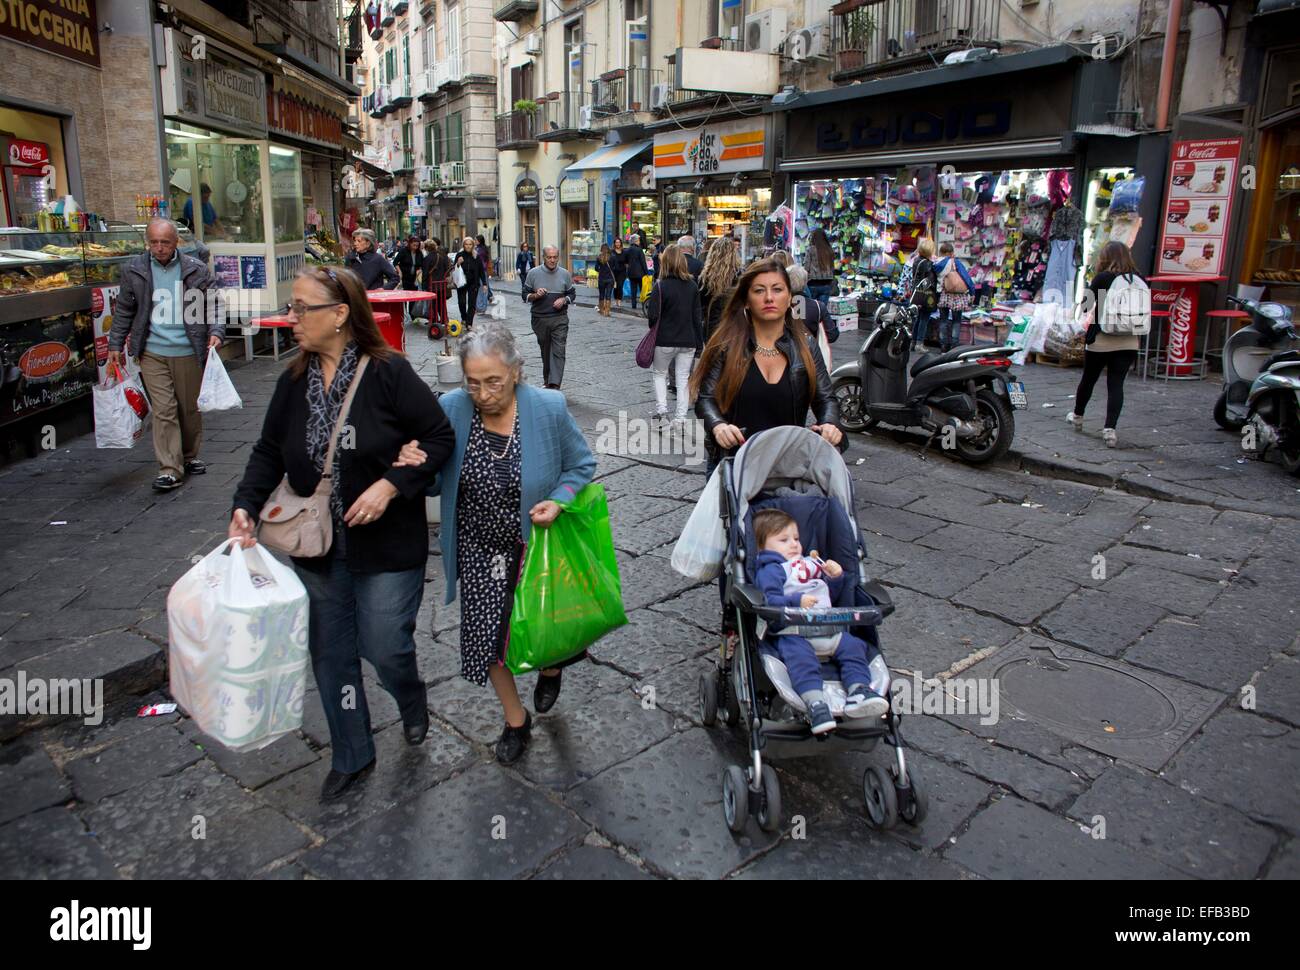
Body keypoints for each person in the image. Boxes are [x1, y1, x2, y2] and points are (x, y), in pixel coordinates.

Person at [228, 266, 456, 800]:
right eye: (291, 306)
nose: (292, 318)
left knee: (383, 645)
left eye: (302, 308)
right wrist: (244, 505)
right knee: (331, 653)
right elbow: (266, 451)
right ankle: (352, 753)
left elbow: (438, 435)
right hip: (315, 543)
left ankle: (409, 694)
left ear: (339, 315)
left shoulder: (389, 373)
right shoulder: (292, 382)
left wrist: (392, 485)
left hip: (387, 543)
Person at [394, 323, 596, 764]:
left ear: (516, 372)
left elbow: (581, 466)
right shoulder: (451, 409)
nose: (483, 394)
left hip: (536, 546)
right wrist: (414, 463)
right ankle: (516, 720)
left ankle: (551, 665)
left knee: (546, 628)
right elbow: (432, 484)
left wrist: (559, 502)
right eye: (473, 383)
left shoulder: (548, 408)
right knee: (487, 639)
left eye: (493, 382)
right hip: (479, 545)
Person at [692, 257, 842, 655]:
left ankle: (793, 605)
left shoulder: (805, 345)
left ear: (789, 296)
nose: (769, 298)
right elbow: (704, 399)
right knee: (736, 548)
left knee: (785, 543)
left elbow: (826, 398)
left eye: (776, 289)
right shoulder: (727, 344)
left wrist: (830, 425)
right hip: (736, 461)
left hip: (788, 464)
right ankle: (733, 624)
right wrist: (717, 425)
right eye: (759, 291)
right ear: (746, 299)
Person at [107, 218, 224, 493]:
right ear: (148, 242)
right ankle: (170, 469)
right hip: (152, 351)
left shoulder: (194, 269)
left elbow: (213, 303)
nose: (159, 248)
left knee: (188, 409)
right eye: (154, 242)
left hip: (187, 349)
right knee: (164, 409)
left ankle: (189, 455)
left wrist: (216, 331)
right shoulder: (134, 269)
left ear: (176, 243)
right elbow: (124, 309)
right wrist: (115, 344)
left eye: (165, 242)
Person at [753, 509, 891, 734]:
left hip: (830, 628)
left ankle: (860, 690)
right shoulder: (772, 570)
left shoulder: (810, 564)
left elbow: (829, 595)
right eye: (784, 540)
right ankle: (816, 704)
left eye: (796, 539)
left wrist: (834, 577)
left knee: (855, 648)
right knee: (801, 661)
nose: (794, 545)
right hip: (793, 631)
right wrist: (796, 599)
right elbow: (769, 599)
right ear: (762, 546)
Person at [1066, 241, 1144, 448]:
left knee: (1089, 379)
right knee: (1116, 384)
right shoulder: (1139, 279)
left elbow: (1085, 306)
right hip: (1129, 339)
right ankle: (1110, 430)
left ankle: (1078, 416)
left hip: (1102, 338)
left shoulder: (1103, 278)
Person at [646, 245, 703, 425]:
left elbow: (653, 316)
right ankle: (680, 418)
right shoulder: (693, 286)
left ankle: (662, 411)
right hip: (688, 339)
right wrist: (699, 343)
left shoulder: (660, 286)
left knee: (660, 374)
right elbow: (697, 317)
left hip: (665, 339)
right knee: (683, 378)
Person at [522, 245, 576, 389]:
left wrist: (564, 300)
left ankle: (554, 384)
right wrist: (535, 295)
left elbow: (572, 294)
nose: (552, 260)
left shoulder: (565, 274)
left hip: (560, 318)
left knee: (559, 350)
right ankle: (548, 380)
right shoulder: (533, 273)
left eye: (555, 257)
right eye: (549, 257)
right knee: (546, 352)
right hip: (540, 319)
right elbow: (524, 295)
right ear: (543, 257)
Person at [787, 264, 839, 369]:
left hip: (786, 360)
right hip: (811, 360)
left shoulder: (779, 306)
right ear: (805, 283)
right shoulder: (818, 306)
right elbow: (832, 335)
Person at [699, 234, 742, 345]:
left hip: (711, 325)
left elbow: (701, 303)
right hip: (734, 324)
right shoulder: (740, 275)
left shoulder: (705, 277)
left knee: (713, 358)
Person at [933, 241, 975, 352]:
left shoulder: (935, 263)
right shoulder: (954, 262)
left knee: (943, 320)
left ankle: (943, 345)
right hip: (956, 295)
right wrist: (972, 291)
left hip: (943, 294)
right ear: (951, 253)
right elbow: (966, 277)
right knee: (956, 320)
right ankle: (954, 344)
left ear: (941, 252)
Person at [903, 238, 938, 350]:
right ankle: (919, 343)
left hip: (917, 293)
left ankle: (913, 342)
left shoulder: (917, 260)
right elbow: (930, 281)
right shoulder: (928, 264)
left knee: (918, 318)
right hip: (926, 294)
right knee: (924, 319)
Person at [453, 235, 486, 330]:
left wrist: (484, 284)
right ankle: (464, 317)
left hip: (473, 283)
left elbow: (481, 271)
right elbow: (453, 269)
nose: (468, 246)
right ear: (463, 245)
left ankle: (469, 323)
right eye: (466, 244)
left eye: (470, 244)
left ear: (473, 245)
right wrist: (458, 263)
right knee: (461, 302)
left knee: (472, 304)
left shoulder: (476, 256)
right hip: (461, 283)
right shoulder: (459, 255)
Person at [420, 237, 451, 332]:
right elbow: (447, 268)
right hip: (441, 284)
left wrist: (424, 285)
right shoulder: (441, 256)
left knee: (433, 304)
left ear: (426, 248)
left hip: (431, 285)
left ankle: (434, 321)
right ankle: (444, 320)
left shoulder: (427, 258)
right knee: (442, 304)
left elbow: (425, 273)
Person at [802, 228, 837, 311]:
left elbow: (806, 267)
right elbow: (832, 267)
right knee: (822, 311)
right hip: (826, 284)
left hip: (813, 283)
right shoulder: (829, 250)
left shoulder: (810, 250)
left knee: (811, 311)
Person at [625, 236, 648, 309]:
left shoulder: (627, 250)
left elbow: (625, 261)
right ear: (635, 241)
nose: (639, 242)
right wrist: (646, 272)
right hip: (640, 273)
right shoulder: (639, 250)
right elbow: (643, 262)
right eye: (638, 240)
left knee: (633, 290)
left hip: (631, 273)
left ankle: (633, 305)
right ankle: (643, 304)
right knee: (642, 289)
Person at [596, 243, 616, 318]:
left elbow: (596, 268)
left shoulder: (599, 258)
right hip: (610, 279)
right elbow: (615, 267)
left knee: (601, 294)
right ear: (608, 249)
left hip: (601, 278)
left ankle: (601, 310)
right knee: (608, 295)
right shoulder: (612, 257)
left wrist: (601, 270)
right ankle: (607, 312)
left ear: (601, 249)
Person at [610, 237, 629, 310]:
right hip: (614, 272)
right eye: (616, 242)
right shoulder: (612, 252)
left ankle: (619, 300)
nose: (618, 243)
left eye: (619, 242)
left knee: (620, 286)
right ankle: (616, 299)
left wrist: (627, 271)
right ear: (614, 243)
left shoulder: (624, 252)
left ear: (621, 243)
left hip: (622, 272)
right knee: (615, 286)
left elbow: (627, 263)